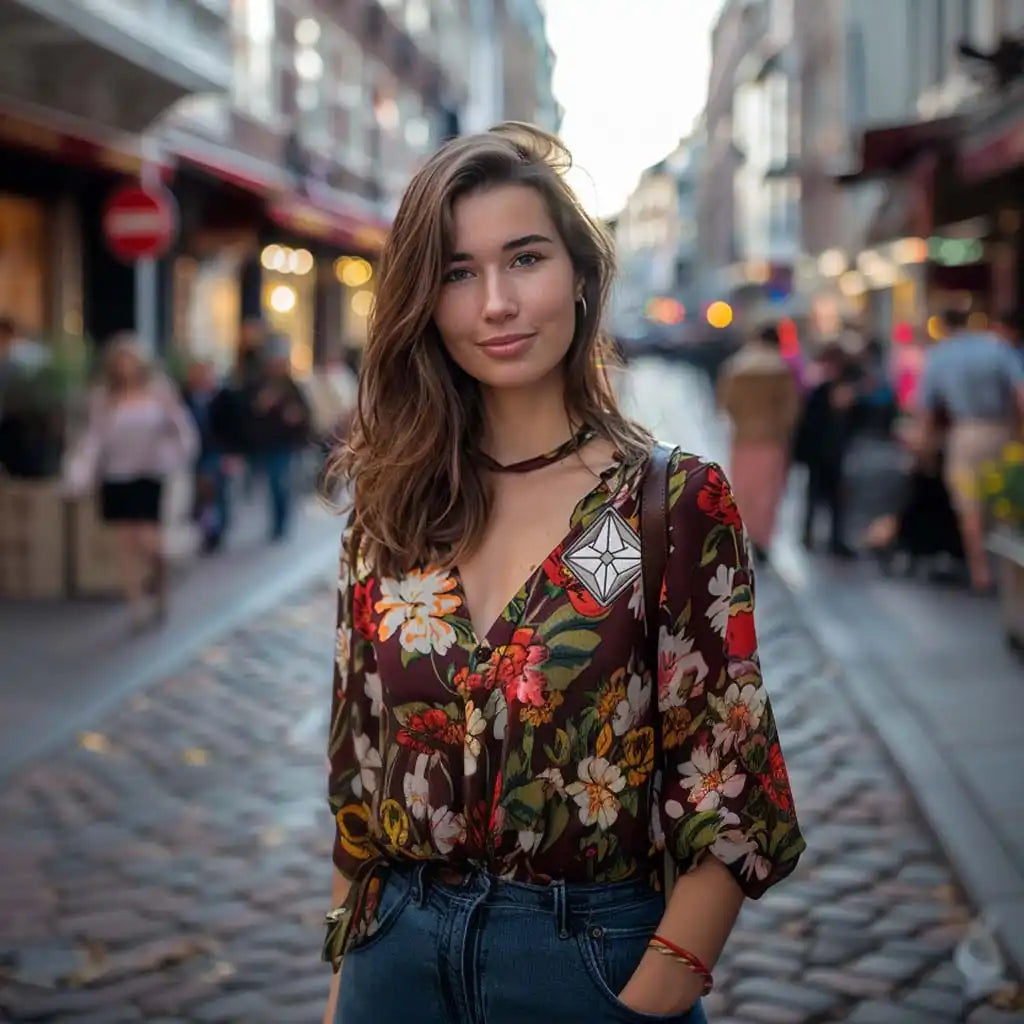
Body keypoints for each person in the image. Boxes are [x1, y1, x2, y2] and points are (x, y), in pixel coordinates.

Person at [322, 124, 805, 1024]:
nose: (496, 302)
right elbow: (359, 769)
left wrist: (651, 994)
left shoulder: (655, 508)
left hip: (584, 965)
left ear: (580, 275)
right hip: (393, 963)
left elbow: (730, 783)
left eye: (525, 258)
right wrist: (348, 987)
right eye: (458, 272)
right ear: (423, 302)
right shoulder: (394, 510)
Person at [69, 334, 198, 628]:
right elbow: (93, 440)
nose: (125, 366)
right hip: (117, 475)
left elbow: (181, 427)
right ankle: (136, 606)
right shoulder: (105, 398)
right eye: (120, 361)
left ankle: (161, 582)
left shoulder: (158, 392)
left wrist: (179, 456)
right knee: (125, 543)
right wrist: (80, 475)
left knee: (149, 540)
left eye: (130, 360)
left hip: (149, 473)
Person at [916, 308, 1024, 592]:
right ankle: (1008, 573)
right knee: (1006, 502)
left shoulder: (939, 356)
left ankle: (981, 572)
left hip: (966, 433)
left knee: (969, 506)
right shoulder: (997, 348)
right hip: (1002, 432)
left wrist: (923, 448)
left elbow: (926, 409)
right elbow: (1020, 392)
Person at [716, 323, 801, 561]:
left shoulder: (736, 366)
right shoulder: (781, 369)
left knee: (743, 489)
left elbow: (725, 403)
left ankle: (744, 535)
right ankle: (761, 539)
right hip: (771, 439)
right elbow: (790, 408)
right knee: (767, 490)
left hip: (742, 438)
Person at [793, 343, 860, 558]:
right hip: (826, 449)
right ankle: (825, 538)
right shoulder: (825, 387)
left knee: (820, 494)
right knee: (827, 495)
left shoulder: (818, 384)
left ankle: (815, 535)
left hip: (823, 449)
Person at [243, 332, 311, 541]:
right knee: (273, 483)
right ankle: (277, 522)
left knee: (281, 482)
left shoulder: (291, 386)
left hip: (285, 442)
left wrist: (296, 416)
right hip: (266, 441)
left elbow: (305, 411)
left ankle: (282, 523)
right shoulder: (259, 384)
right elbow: (249, 410)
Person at [181, 358, 234, 553]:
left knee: (217, 492)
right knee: (201, 495)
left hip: (217, 452)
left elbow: (234, 427)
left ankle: (216, 532)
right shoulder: (185, 397)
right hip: (194, 453)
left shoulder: (224, 397)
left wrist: (233, 453)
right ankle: (206, 530)